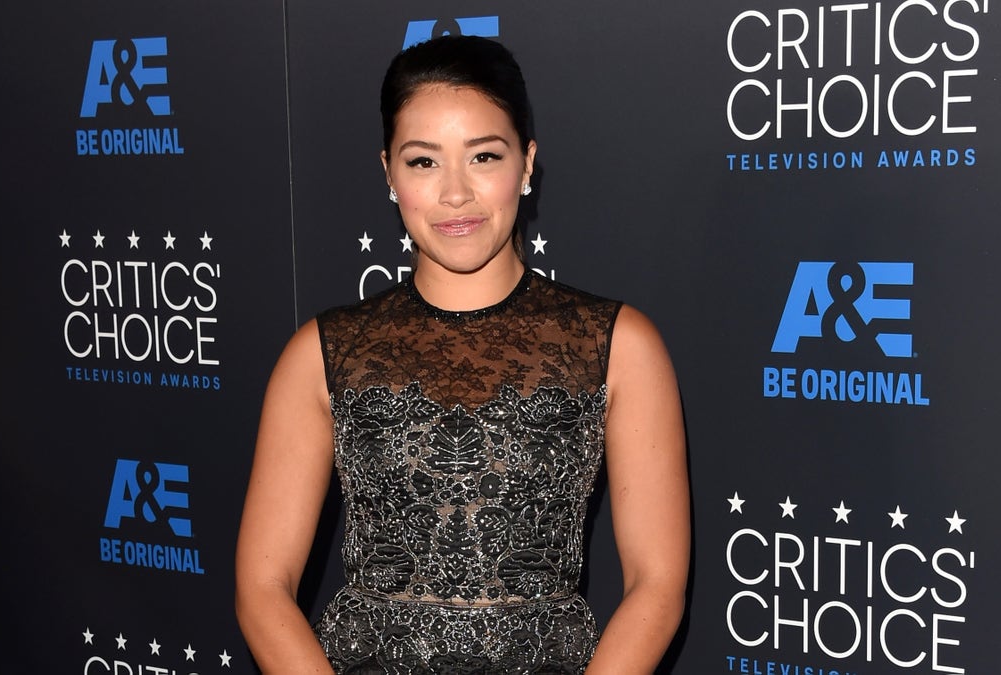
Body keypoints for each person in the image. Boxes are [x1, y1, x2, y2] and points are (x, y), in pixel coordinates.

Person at [235, 35, 690, 673]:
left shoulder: (617, 345)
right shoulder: (322, 353)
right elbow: (262, 588)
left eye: (483, 156)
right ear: (388, 172)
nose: (455, 194)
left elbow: (657, 585)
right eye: (423, 162)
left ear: (527, 164)